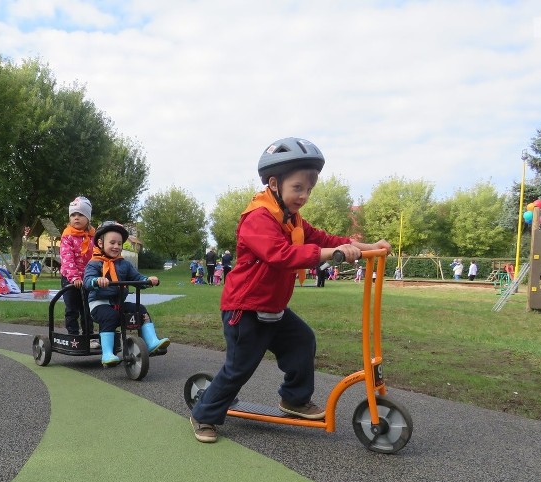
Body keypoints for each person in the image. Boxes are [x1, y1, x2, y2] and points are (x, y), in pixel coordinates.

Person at [188, 137, 391, 443]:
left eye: (309, 189)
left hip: (273, 308)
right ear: (274, 183)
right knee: (240, 368)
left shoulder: (292, 219)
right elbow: (280, 256)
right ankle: (203, 414)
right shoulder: (257, 219)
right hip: (245, 309)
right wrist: (328, 255)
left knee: (302, 341)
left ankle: (294, 399)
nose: (304, 195)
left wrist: (367, 246)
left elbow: (325, 238)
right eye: (298, 188)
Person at [83, 221, 170, 366]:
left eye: (119, 243)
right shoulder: (94, 263)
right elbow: (87, 281)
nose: (116, 246)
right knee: (109, 316)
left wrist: (147, 280)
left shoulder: (124, 264)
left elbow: (136, 278)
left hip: (118, 303)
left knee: (140, 309)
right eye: (112, 242)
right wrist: (96, 281)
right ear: (100, 242)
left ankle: (152, 342)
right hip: (99, 304)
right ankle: (107, 354)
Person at [60, 196, 95, 337]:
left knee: (87, 309)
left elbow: (97, 256)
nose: (76, 218)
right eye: (73, 215)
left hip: (87, 278)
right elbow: (67, 258)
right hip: (70, 278)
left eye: (80, 214)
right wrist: (74, 276)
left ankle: (89, 335)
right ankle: (73, 335)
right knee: (72, 309)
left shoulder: (93, 236)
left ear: (88, 218)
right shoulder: (67, 236)